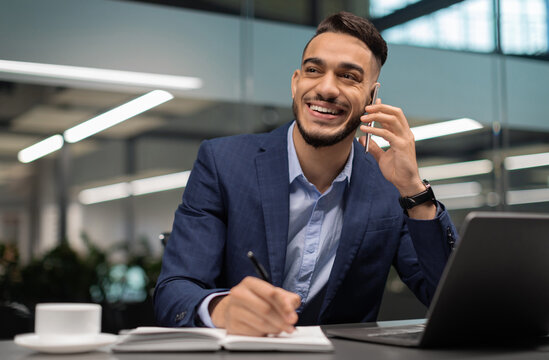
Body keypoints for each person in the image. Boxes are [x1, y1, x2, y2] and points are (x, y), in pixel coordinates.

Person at [154, 11, 457, 336]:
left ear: (371, 98)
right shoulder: (223, 163)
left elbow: (451, 302)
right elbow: (175, 290)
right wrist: (221, 309)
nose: (326, 88)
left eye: (348, 77)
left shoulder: (389, 186)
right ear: (296, 82)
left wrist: (414, 191)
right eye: (314, 70)